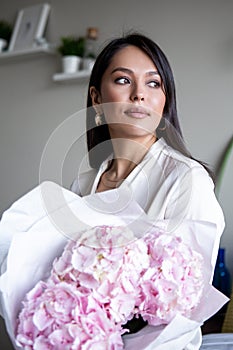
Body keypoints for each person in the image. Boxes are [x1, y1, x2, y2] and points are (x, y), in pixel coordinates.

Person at [70, 32, 225, 348]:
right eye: (124, 80)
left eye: (154, 83)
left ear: (165, 100)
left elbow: (187, 303)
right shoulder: (82, 184)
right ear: (97, 98)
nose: (139, 94)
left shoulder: (187, 181)